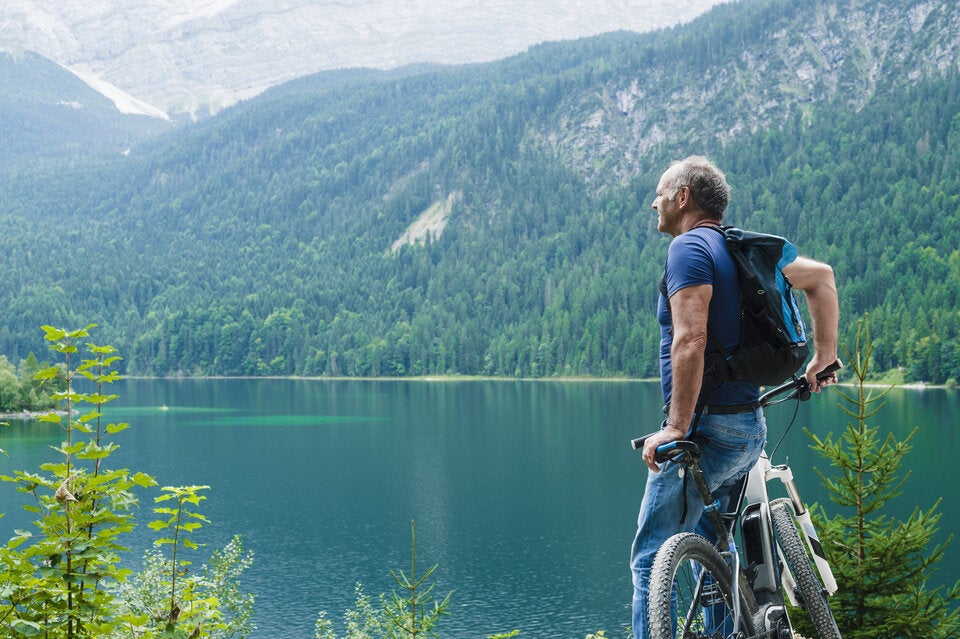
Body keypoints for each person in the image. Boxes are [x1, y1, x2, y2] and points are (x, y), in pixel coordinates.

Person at [629, 156, 839, 639]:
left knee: (651, 559)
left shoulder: (688, 249)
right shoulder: (742, 250)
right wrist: (823, 356)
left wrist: (676, 427)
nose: (654, 203)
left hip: (705, 430)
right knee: (717, 551)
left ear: (683, 197)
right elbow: (822, 277)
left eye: (660, 193)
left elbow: (691, 340)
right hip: (748, 430)